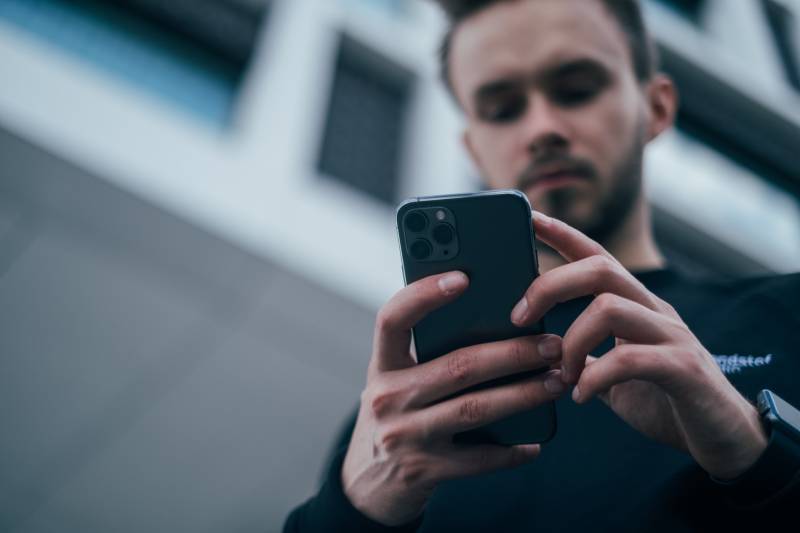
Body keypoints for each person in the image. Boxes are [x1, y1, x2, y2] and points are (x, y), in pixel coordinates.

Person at [284, 0, 800, 530]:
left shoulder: (789, 315)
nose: (542, 128)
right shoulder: (405, 412)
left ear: (656, 107)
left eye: (576, 90)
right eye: (502, 109)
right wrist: (351, 509)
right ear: (474, 151)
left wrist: (757, 449)